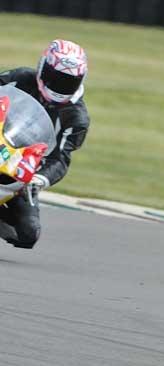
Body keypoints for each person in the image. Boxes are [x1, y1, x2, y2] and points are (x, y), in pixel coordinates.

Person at [0, 39, 90, 249]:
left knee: (28, 233)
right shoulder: (20, 77)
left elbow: (61, 159)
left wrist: (39, 179)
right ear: (42, 68)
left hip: (21, 171)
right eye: (55, 77)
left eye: (68, 81)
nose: (60, 85)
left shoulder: (76, 118)